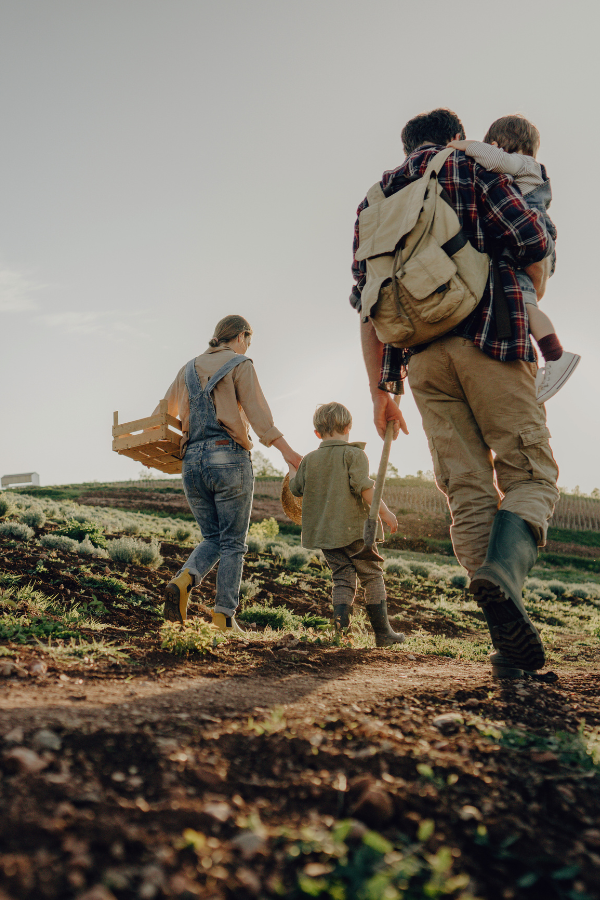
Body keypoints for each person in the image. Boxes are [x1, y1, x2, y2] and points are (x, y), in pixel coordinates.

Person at [351, 108, 559, 678]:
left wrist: (380, 391)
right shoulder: (465, 168)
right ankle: (507, 581)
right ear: (451, 138)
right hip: (491, 339)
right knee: (530, 474)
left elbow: (366, 307)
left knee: (466, 491)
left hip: (422, 364)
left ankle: (503, 632)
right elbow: (532, 238)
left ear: (405, 146)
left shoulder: (373, 203)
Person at [159, 314, 302, 633]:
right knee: (234, 542)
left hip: (191, 462)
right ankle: (224, 616)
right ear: (240, 337)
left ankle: (184, 580)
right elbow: (259, 416)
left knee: (214, 537)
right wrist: (289, 453)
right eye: (248, 342)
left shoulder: (187, 369)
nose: (247, 348)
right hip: (229, 458)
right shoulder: (241, 364)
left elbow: (163, 413)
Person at [448, 114, 580, 404]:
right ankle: (538, 367)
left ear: (504, 145)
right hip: (532, 244)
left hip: (531, 243)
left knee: (524, 304)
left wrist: (460, 146)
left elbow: (494, 160)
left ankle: (556, 356)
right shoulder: (528, 168)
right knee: (523, 303)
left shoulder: (523, 164)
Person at [288, 401, 404, 647]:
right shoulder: (354, 454)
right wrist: (385, 512)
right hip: (355, 532)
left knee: (342, 578)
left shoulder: (309, 459)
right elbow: (366, 488)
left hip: (326, 535)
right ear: (349, 426)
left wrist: (291, 468)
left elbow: (296, 488)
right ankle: (383, 634)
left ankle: (341, 633)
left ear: (317, 433)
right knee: (372, 576)